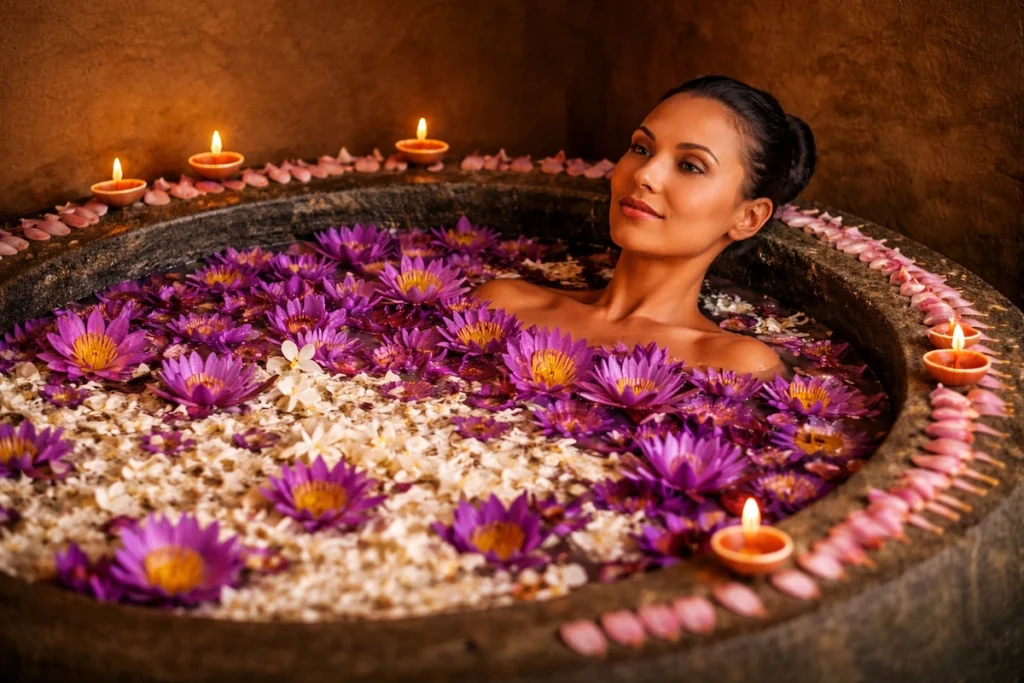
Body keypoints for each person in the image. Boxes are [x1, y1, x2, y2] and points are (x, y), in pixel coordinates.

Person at [473, 74, 816, 379]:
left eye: (690, 166)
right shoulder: (502, 304)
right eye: (642, 147)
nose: (644, 174)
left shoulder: (733, 366)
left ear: (748, 217)